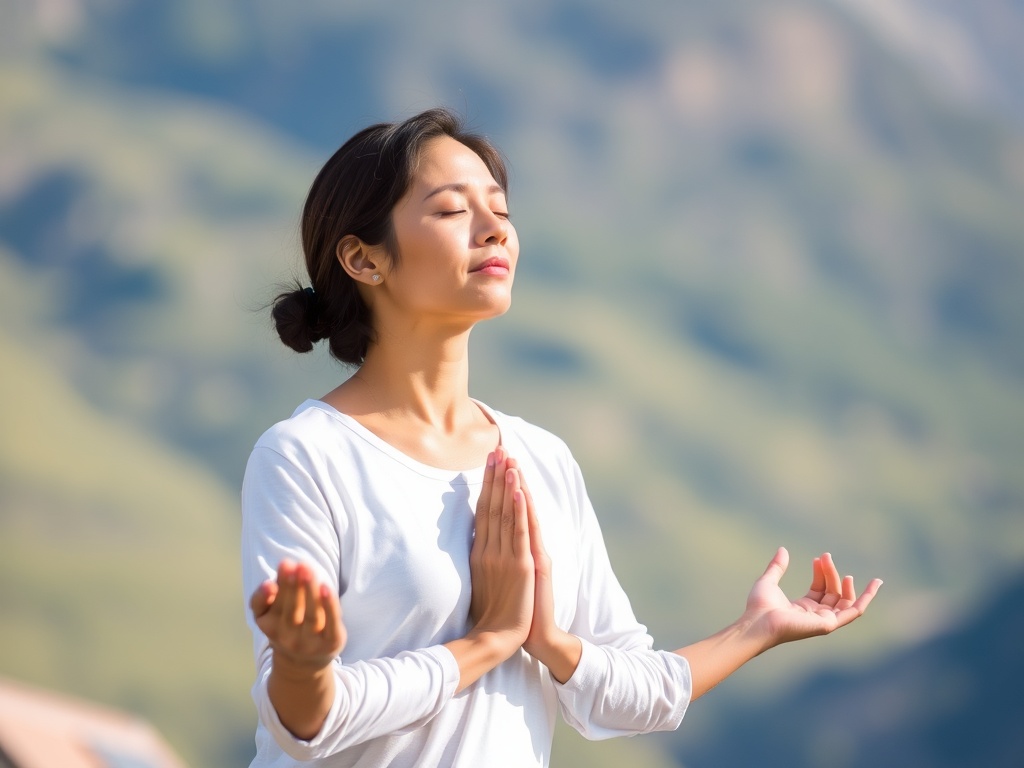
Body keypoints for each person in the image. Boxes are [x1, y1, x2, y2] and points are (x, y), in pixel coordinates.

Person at [241, 108, 882, 768]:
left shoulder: (539, 458)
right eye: (453, 211)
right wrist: (487, 643)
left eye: (500, 209)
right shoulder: (307, 456)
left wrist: (749, 630)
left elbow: (632, 695)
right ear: (363, 258)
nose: (495, 230)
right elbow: (302, 722)